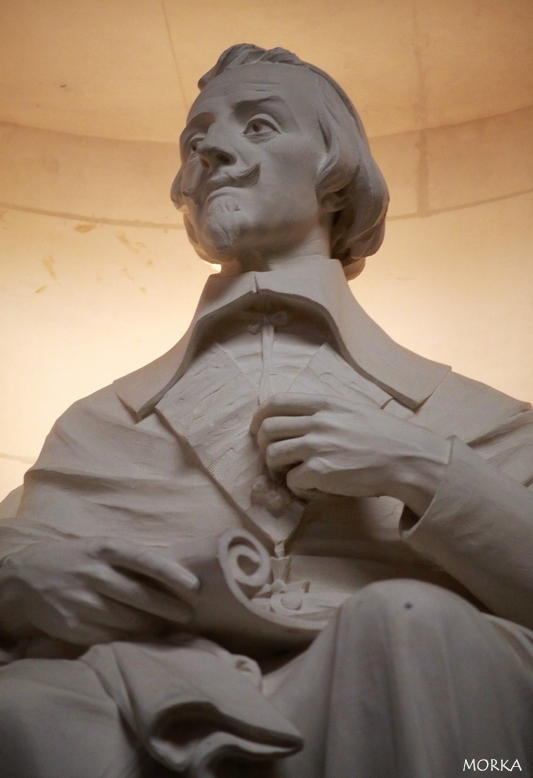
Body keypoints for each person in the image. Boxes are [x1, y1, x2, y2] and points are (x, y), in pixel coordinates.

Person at [0, 44, 532, 778]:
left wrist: (421, 467)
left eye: (257, 126)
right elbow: (20, 547)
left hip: (405, 671)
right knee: (23, 708)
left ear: (336, 175)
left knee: (406, 623)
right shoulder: (98, 426)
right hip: (153, 686)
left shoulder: (465, 415)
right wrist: (21, 577)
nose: (212, 149)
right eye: (197, 140)